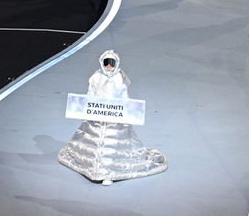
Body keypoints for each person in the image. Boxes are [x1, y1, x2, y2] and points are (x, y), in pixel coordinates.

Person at [58, 49, 167, 184]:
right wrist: (86, 109)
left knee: (113, 143)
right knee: (93, 141)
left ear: (116, 64)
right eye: (106, 63)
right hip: (97, 115)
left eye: (112, 63)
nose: (109, 66)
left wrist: (126, 112)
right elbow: (90, 93)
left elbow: (124, 96)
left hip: (114, 116)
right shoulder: (96, 77)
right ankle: (93, 168)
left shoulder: (119, 78)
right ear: (102, 63)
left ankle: (107, 173)